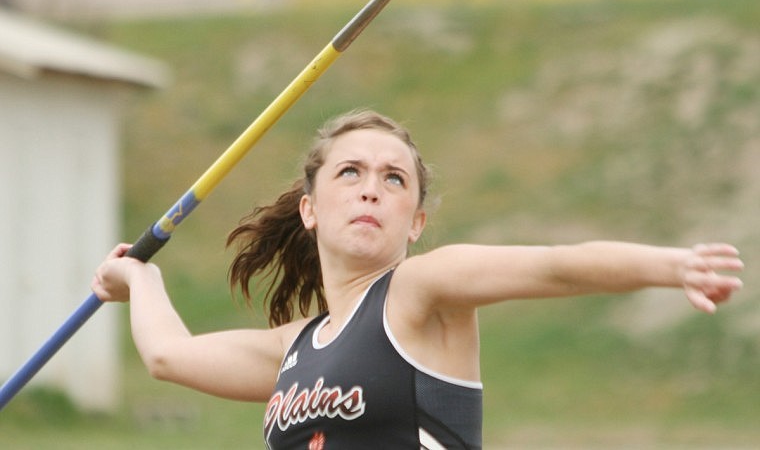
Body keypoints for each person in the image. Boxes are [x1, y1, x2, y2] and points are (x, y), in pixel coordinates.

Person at [92, 109, 744, 449]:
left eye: (393, 178)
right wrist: (136, 278)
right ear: (310, 209)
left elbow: (555, 264)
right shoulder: (293, 348)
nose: (371, 189)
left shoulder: (423, 293)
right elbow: (167, 356)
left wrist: (670, 265)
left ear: (416, 221)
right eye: (350, 173)